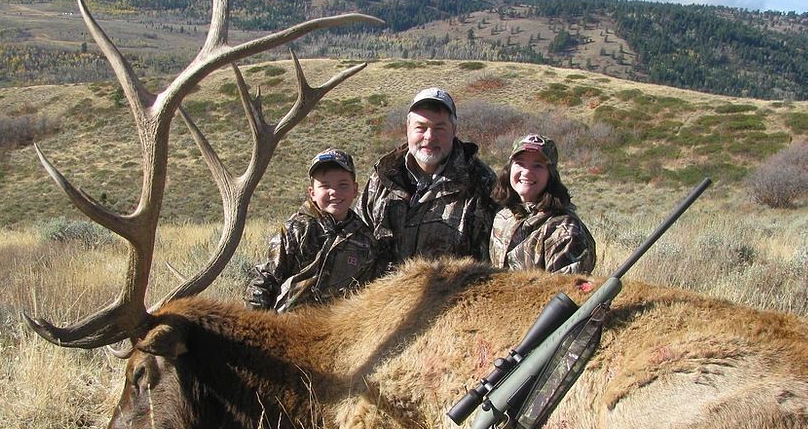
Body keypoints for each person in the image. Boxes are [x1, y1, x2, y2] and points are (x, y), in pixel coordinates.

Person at [356, 87, 496, 266]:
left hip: (451, 284)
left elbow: (488, 264)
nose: (429, 137)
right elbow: (356, 243)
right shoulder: (383, 176)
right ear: (408, 129)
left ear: (454, 130)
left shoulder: (481, 183)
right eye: (421, 128)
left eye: (439, 128)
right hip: (383, 284)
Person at [246, 148, 386, 312]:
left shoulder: (365, 240)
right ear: (312, 193)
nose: (334, 192)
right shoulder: (296, 230)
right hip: (287, 322)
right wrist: (256, 320)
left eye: (343, 185)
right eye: (325, 186)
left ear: (355, 190)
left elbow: (368, 292)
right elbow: (265, 279)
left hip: (337, 323)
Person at [489, 133, 596, 274]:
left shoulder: (565, 230)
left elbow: (565, 286)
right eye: (520, 163)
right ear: (509, 169)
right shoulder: (503, 216)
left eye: (538, 166)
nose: (526, 172)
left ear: (550, 174)